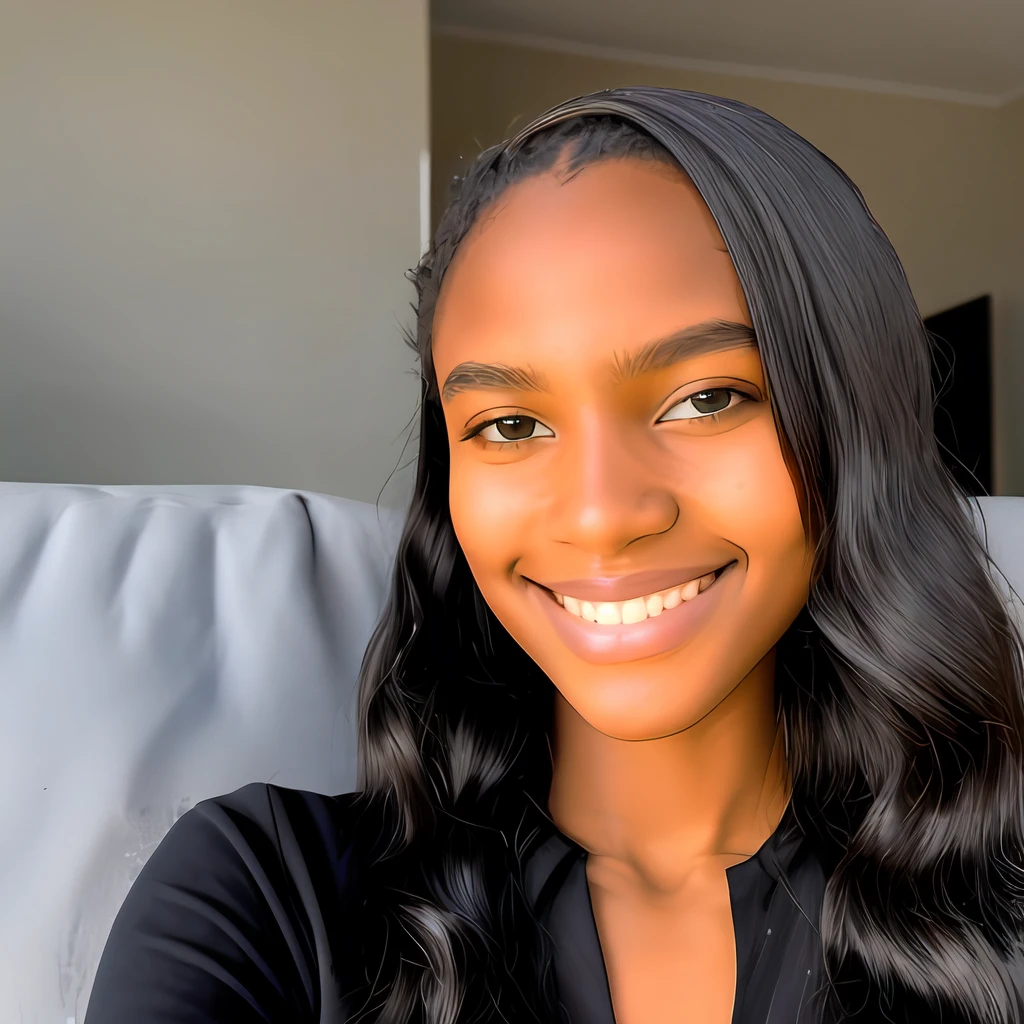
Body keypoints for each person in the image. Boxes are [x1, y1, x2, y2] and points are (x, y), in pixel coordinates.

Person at [84, 87, 1024, 1024]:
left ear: (858, 426)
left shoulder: (999, 907)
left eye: (706, 398)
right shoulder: (264, 901)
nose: (602, 514)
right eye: (511, 424)